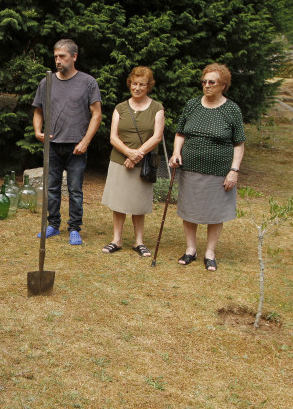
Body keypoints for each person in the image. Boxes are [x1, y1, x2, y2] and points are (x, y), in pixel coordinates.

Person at [169, 63, 245, 271]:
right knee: (189, 209)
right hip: (191, 167)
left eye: (212, 82)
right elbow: (180, 133)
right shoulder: (192, 105)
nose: (207, 85)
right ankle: (190, 249)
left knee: (216, 212)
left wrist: (234, 170)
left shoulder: (231, 109)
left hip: (219, 171)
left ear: (223, 85)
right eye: (204, 81)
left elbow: (238, 143)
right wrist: (176, 152)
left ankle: (210, 252)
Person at [32, 39, 102, 245]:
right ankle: (53, 225)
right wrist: (38, 131)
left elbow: (97, 115)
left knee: (75, 190)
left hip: (76, 146)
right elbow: (38, 110)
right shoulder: (47, 82)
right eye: (55, 56)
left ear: (74, 57)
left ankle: (74, 229)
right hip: (52, 144)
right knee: (51, 188)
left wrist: (85, 142)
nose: (57, 60)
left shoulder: (88, 82)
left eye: (62, 56)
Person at [101, 66, 165, 257]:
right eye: (134, 84)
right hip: (120, 160)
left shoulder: (157, 108)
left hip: (143, 163)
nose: (137, 88)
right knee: (118, 202)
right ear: (130, 84)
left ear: (148, 86)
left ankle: (139, 242)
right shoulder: (120, 107)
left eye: (142, 85)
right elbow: (113, 137)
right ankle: (117, 240)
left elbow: (157, 137)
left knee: (138, 204)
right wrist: (129, 153)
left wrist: (138, 154)